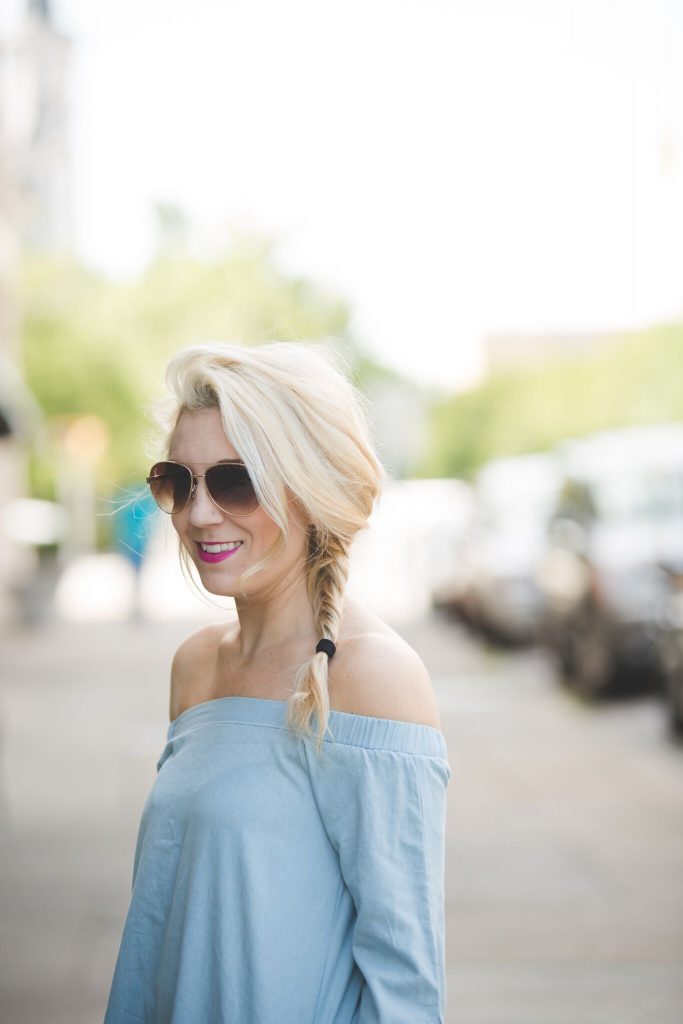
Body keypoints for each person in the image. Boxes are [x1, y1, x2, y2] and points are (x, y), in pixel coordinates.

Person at [103, 339, 452, 1024]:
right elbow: (164, 926)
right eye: (179, 481)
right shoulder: (196, 665)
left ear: (309, 488)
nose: (199, 514)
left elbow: (403, 984)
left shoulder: (371, 675)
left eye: (236, 481)